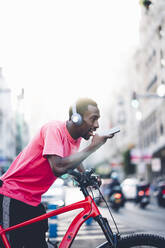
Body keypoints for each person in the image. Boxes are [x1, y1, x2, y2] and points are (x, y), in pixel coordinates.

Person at [0, 97, 114, 248]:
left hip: (33, 200)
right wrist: (93, 147)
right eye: (93, 119)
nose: (97, 125)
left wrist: (87, 175)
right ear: (77, 119)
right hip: (12, 195)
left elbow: (74, 158)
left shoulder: (75, 139)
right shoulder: (54, 129)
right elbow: (58, 167)